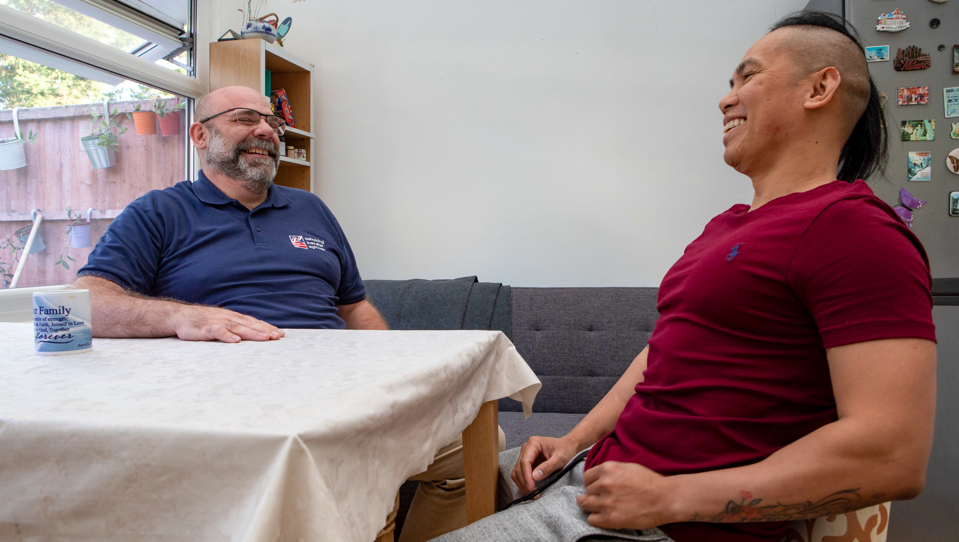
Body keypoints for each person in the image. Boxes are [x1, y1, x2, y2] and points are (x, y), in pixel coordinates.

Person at [432, 12, 937, 542]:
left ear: (819, 87)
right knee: (428, 474)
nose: (726, 99)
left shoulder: (854, 229)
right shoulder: (725, 228)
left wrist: (669, 497)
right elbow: (661, 355)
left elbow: (892, 454)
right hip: (596, 474)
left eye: (749, 77)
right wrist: (572, 440)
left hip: (665, 522)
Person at [72, 85, 489, 542]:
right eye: (244, 118)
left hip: (340, 391)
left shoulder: (311, 208)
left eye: (271, 121)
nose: (266, 130)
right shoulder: (158, 212)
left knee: (479, 450)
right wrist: (181, 317)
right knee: (351, 475)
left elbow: (354, 305)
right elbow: (88, 303)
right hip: (233, 403)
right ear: (199, 134)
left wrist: (389, 365)